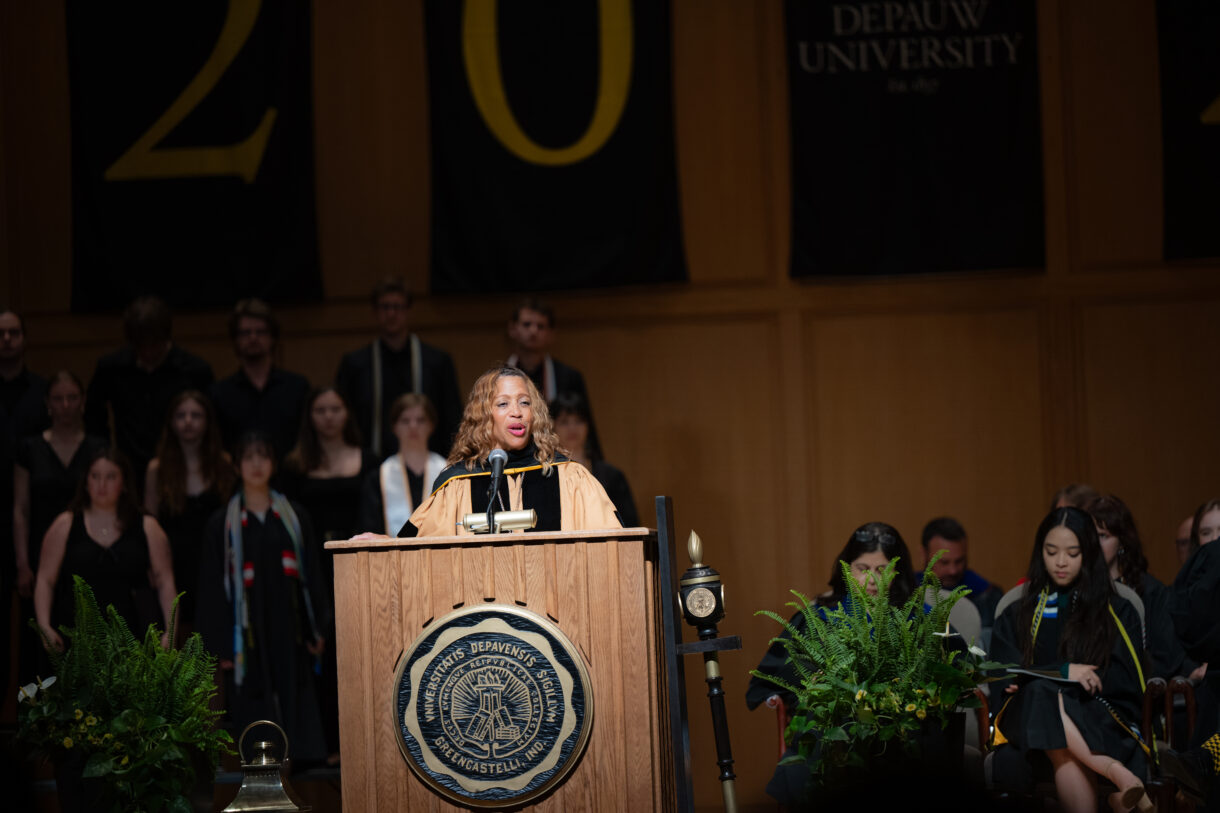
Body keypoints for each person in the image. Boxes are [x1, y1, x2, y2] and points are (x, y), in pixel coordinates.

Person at [990, 507, 1151, 813]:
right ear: (1041, 553)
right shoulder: (1020, 610)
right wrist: (1063, 672)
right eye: (1051, 552)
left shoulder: (1116, 610)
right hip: (1026, 722)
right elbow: (1002, 671)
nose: (1060, 562)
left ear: (1088, 554)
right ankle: (1119, 776)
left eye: (1072, 553)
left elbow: (1125, 681)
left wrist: (1052, 684)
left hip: (1095, 715)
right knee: (1040, 695)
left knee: (1051, 717)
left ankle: (1120, 782)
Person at [196, 432, 329, 764]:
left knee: (294, 689)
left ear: (273, 463)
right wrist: (221, 644)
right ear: (237, 465)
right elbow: (212, 587)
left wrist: (318, 629)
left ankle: (300, 762)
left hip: (289, 622)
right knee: (251, 696)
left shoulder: (292, 515)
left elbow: (311, 572)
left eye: (263, 456)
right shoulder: (222, 523)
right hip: (246, 631)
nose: (256, 464)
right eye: (248, 457)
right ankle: (257, 762)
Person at [395, 365, 621, 538]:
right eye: (503, 404)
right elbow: (415, 548)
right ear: (484, 416)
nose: (517, 412)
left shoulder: (569, 478)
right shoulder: (457, 485)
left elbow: (615, 542)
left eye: (524, 403)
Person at [746, 522, 916, 711]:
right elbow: (776, 679)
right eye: (863, 569)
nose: (872, 580)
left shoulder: (917, 617)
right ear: (847, 569)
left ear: (897, 573)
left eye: (882, 570)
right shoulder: (819, 618)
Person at [33, 447, 177, 650]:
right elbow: (45, 579)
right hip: (75, 639)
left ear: (124, 483)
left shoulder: (147, 526)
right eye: (95, 476)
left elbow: (165, 582)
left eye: (110, 477)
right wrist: (44, 625)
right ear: (85, 482)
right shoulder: (65, 524)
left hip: (134, 638)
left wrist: (170, 631)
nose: (101, 485)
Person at [12, 371, 106, 679]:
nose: (65, 405)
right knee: (40, 638)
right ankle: (39, 721)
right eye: (58, 398)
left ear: (82, 403)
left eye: (72, 398)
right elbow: (21, 508)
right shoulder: (30, 448)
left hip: (88, 551)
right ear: (47, 404)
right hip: (42, 553)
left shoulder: (98, 447)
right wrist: (24, 563)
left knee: (90, 633)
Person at [84, 296, 213, 487]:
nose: (148, 353)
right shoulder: (111, 368)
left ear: (166, 338)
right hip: (129, 467)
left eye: (154, 345)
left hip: (182, 466)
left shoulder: (194, 370)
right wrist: (107, 454)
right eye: (141, 347)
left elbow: (210, 420)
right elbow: (93, 416)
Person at [334, 276, 461, 459]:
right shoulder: (355, 364)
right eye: (385, 307)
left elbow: (452, 416)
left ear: (408, 310)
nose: (391, 314)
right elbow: (346, 420)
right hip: (371, 462)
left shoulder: (437, 362)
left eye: (397, 307)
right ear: (375, 312)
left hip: (429, 462)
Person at [1085, 493, 1205, 682]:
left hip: (1139, 690)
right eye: (1090, 536)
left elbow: (1166, 656)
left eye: (1103, 536)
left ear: (1121, 541)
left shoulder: (1149, 591)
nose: (1095, 544)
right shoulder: (1077, 590)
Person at [144, 390, 234, 635]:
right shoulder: (157, 468)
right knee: (176, 630)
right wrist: (151, 563)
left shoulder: (223, 463)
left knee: (212, 632)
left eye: (196, 415)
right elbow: (149, 521)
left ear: (207, 422)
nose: (188, 421)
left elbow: (231, 517)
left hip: (213, 559)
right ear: (171, 422)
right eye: (181, 415)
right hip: (173, 560)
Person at [210, 298, 309, 464]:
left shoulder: (298, 387)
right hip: (237, 483)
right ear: (235, 340)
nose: (253, 338)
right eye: (245, 333)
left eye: (261, 332)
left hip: (291, 481)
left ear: (273, 338)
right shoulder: (218, 393)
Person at [506, 299, 600, 457]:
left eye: (541, 326)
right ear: (513, 329)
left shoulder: (569, 376)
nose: (533, 331)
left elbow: (585, 426)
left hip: (558, 455)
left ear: (551, 334)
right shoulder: (496, 379)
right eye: (527, 324)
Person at [357, 393, 446, 535]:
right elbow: (370, 529)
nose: (413, 426)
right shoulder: (378, 477)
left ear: (431, 425)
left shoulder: (447, 472)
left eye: (421, 420)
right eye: (405, 421)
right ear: (394, 427)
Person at [551, 391, 638, 527]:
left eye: (579, 421)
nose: (572, 428)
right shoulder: (547, 475)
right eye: (564, 422)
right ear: (553, 427)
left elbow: (630, 526)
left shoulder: (612, 476)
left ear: (588, 426)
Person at [918, 517, 1003, 633]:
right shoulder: (908, 591)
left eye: (959, 561)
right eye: (944, 562)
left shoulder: (987, 596)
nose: (953, 571)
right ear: (924, 554)